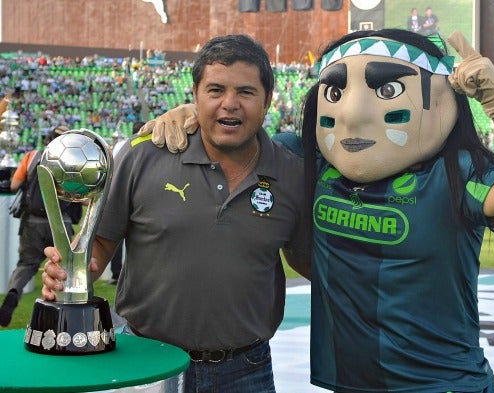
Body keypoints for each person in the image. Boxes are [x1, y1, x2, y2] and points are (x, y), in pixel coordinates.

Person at [137, 29, 494, 392]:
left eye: (387, 91)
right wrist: (193, 114)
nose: (352, 114)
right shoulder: (311, 162)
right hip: (351, 381)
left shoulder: (454, 172)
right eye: (335, 93)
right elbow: (237, 136)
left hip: (440, 380)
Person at [42, 34, 310, 393]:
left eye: (246, 92)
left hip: (245, 370)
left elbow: (307, 259)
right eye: (215, 90)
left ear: (268, 101)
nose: (229, 104)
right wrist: (72, 272)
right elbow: (100, 240)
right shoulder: (144, 155)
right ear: (195, 95)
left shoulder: (292, 174)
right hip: (146, 362)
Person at [0, 126, 78, 327]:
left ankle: (13, 294)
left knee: (26, 264)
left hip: (33, 221)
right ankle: (65, 313)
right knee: (66, 268)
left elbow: (14, 186)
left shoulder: (33, 156)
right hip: (61, 221)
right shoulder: (74, 162)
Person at [108, 120, 145, 285]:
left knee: (114, 237)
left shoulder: (124, 146)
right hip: (141, 196)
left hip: (121, 191)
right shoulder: (141, 147)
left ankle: (117, 274)